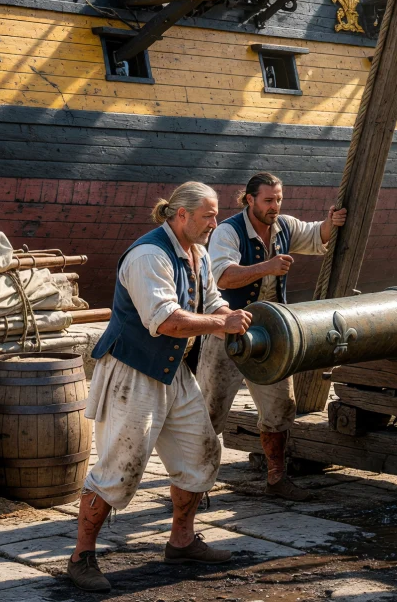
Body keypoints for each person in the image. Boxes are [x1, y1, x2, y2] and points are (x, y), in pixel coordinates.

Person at [69, 182, 252, 592]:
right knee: (120, 469)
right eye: (208, 215)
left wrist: (232, 315)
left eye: (216, 213)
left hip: (174, 371)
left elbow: (211, 301)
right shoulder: (149, 255)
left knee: (202, 453)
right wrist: (222, 324)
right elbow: (166, 321)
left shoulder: (198, 253)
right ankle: (81, 556)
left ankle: (182, 541)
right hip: (133, 371)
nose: (215, 222)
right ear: (181, 215)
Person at [198, 172, 347, 501]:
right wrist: (267, 267)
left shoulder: (285, 226)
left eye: (278, 199)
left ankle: (276, 478)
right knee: (210, 411)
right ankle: (195, 484)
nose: (275, 206)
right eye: (268, 200)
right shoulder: (228, 231)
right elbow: (221, 275)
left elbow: (314, 235)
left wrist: (330, 221)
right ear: (249, 200)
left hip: (272, 337)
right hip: (227, 334)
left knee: (281, 407)